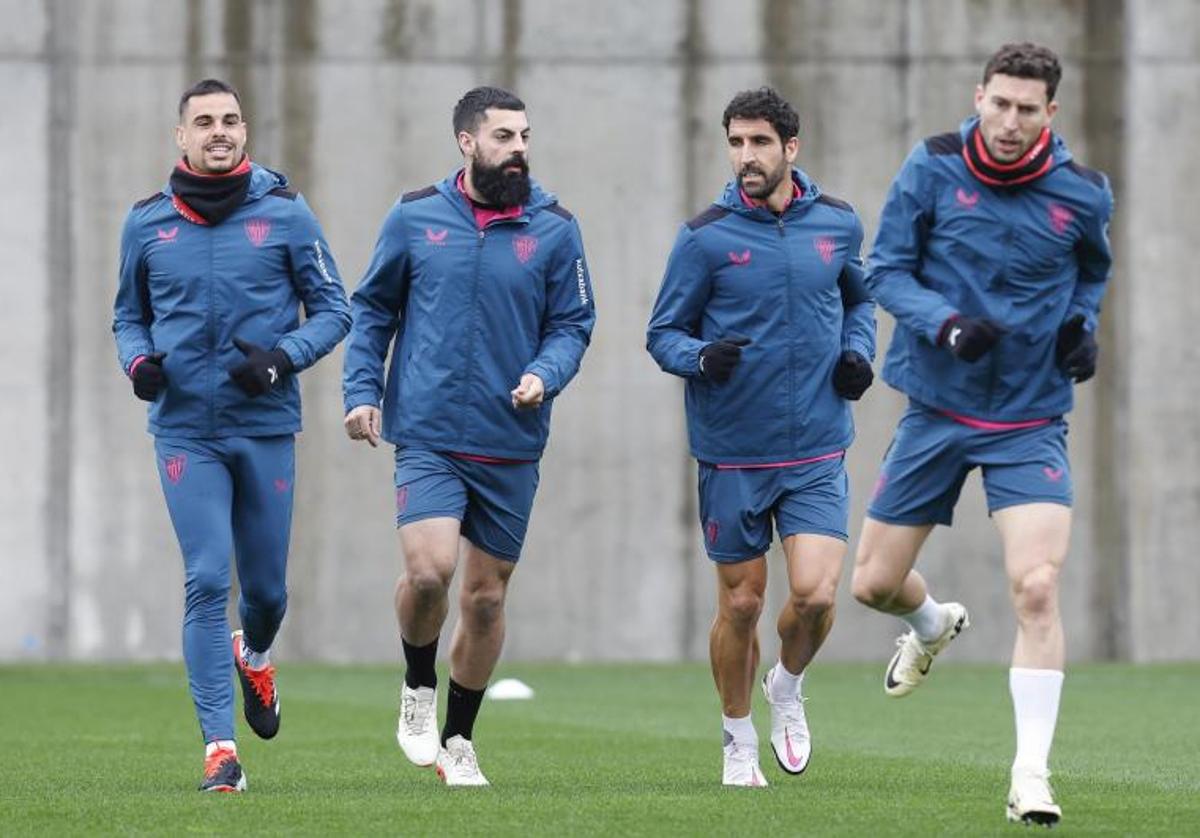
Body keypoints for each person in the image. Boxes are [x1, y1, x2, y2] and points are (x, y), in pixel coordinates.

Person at [849, 43, 1113, 826]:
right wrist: (945, 324)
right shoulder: (931, 168)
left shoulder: (1084, 193)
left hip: (1030, 418)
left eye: (1026, 109)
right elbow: (884, 271)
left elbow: (1092, 272)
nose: (1008, 121)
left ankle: (1030, 776)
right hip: (937, 408)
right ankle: (931, 624)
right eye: (999, 103)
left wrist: (1081, 327)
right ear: (980, 96)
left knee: (1037, 587)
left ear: (1049, 115)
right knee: (871, 586)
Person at [342, 86, 596, 787]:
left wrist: (545, 374)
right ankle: (418, 685)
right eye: (504, 136)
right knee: (430, 571)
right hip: (426, 430)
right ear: (467, 142)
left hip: (511, 437)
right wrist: (362, 391)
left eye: (524, 136)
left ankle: (458, 739)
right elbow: (372, 312)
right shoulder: (415, 215)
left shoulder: (555, 227)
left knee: (484, 598)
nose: (519, 148)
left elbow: (573, 324)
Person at [112, 79, 350, 793]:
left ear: (245, 132)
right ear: (180, 137)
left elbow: (334, 310)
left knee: (267, 593)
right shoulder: (146, 223)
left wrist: (282, 359)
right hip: (186, 431)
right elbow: (128, 316)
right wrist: (140, 363)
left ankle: (259, 652)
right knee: (207, 578)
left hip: (265, 426)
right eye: (205, 122)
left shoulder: (285, 213)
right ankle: (221, 750)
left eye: (232, 120)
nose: (220, 131)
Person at [647, 87, 876, 787]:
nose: (746, 156)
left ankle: (788, 686)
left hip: (815, 444)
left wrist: (858, 353)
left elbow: (859, 298)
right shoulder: (705, 235)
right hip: (733, 451)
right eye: (736, 143)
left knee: (814, 597)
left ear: (790, 148)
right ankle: (738, 735)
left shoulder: (837, 223)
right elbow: (663, 334)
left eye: (759, 143)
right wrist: (698, 358)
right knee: (741, 603)